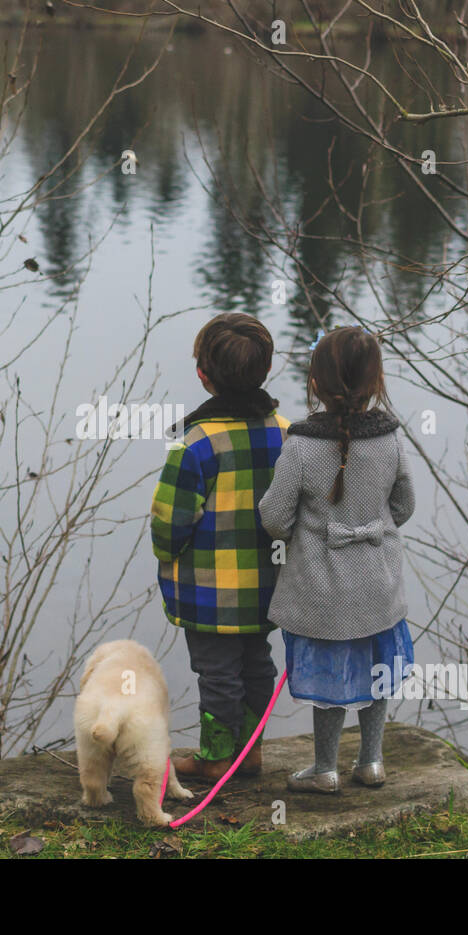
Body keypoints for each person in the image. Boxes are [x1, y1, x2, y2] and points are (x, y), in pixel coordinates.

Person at [258, 325, 415, 792]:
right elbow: (404, 506)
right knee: (377, 670)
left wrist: (305, 535)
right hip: (378, 588)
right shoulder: (389, 439)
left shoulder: (301, 447)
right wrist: (373, 529)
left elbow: (273, 516)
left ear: (315, 384)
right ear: (376, 382)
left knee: (328, 681)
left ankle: (325, 769)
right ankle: (371, 762)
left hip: (322, 593)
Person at [151, 312, 289, 780]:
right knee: (258, 664)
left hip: (209, 593)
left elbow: (169, 521)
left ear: (203, 376)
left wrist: (166, 552)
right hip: (270, 586)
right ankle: (250, 752)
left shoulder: (193, 444)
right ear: (265, 370)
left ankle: (215, 757)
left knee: (216, 673)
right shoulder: (288, 433)